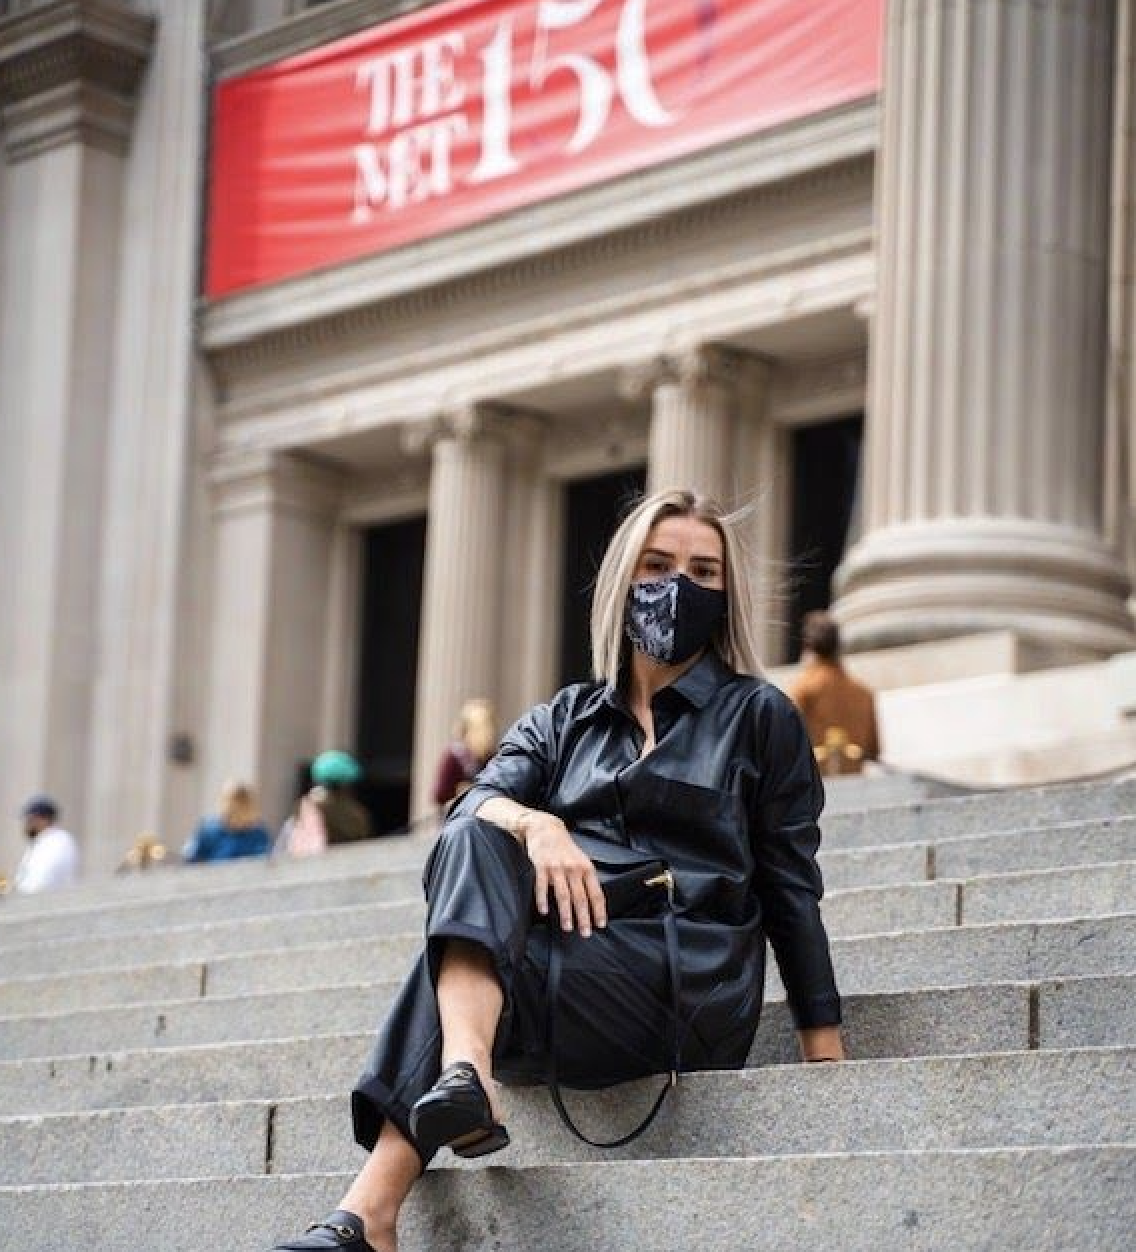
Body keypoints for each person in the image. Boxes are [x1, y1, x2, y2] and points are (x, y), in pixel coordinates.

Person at [269, 488, 845, 1252]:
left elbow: (791, 888)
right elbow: (472, 806)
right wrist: (536, 822)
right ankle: (455, 1089)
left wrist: (825, 1058)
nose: (682, 586)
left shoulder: (759, 715)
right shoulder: (564, 718)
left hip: (688, 984)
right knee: (477, 838)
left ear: (726, 594)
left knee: (456, 957)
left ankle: (372, 1205)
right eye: (658, 565)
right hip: (572, 970)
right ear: (622, 581)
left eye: (705, 572)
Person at [786, 610, 880, 773]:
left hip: (814, 789)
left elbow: (787, 747)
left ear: (808, 647)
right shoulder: (864, 693)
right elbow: (874, 750)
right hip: (854, 786)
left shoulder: (802, 690)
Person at [431, 698, 497, 811]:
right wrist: (461, 794)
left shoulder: (494, 758)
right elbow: (439, 796)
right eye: (480, 728)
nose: (488, 733)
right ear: (467, 730)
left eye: (489, 726)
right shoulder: (454, 756)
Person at [183, 782, 272, 864]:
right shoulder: (207, 829)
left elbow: (263, 862)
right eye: (231, 806)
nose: (235, 812)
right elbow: (190, 858)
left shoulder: (258, 834)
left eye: (242, 806)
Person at [14, 795, 80, 894]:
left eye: (29, 820)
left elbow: (41, 883)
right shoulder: (41, 842)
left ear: (43, 819)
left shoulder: (57, 842)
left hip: (47, 903)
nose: (26, 825)